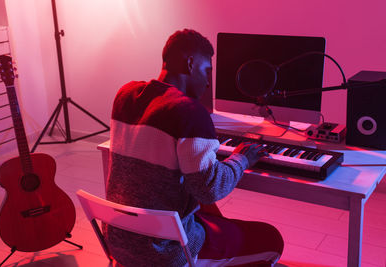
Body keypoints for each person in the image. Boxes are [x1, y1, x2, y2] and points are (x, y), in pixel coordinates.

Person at [103, 29, 284, 267]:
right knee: (271, 239)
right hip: (165, 251)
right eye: (207, 70)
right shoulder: (189, 112)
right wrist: (242, 159)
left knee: (209, 213)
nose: (208, 81)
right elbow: (209, 190)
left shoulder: (125, 95)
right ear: (190, 64)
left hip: (118, 240)